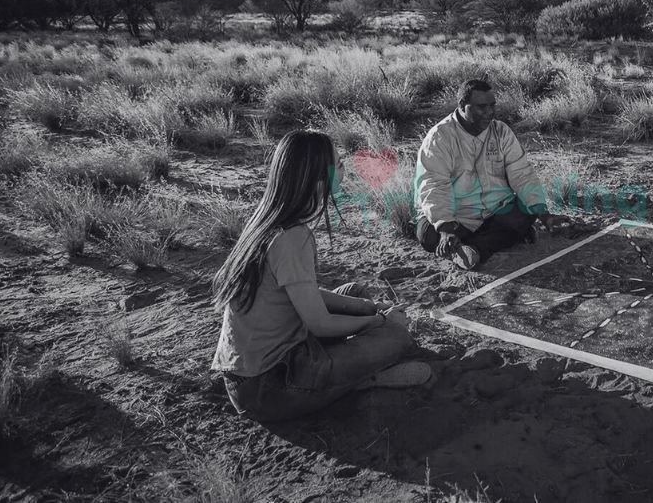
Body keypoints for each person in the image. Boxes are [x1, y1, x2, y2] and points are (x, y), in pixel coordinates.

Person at [211, 130, 431, 422]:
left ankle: (349, 371)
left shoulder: (268, 220)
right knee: (396, 337)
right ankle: (358, 382)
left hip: (259, 370)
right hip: (271, 386)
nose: (343, 170)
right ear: (317, 177)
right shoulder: (292, 238)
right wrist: (380, 321)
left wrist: (367, 310)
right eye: (338, 164)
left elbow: (302, 300)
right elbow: (321, 324)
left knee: (353, 294)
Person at [414, 79, 565, 270]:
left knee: (526, 211)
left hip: (495, 210)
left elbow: (522, 174)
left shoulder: (501, 131)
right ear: (462, 106)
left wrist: (544, 215)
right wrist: (445, 227)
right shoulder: (440, 137)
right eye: (481, 107)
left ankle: (474, 250)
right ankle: (497, 239)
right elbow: (433, 184)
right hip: (458, 217)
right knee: (427, 234)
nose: (489, 112)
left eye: (492, 106)